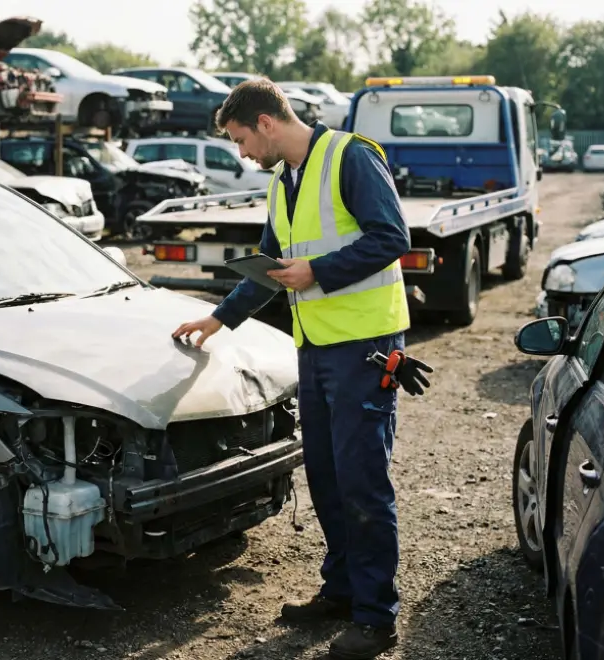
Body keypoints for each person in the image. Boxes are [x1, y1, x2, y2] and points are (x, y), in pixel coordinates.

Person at [171, 79, 411, 659]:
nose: (243, 153)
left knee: (362, 483)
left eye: (241, 139)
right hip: (317, 347)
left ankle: (377, 619)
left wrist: (320, 271)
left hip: (366, 348)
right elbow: (272, 268)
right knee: (327, 478)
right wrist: (218, 320)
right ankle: (342, 590)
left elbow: (393, 237)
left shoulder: (351, 156)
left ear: (267, 123)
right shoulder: (284, 182)